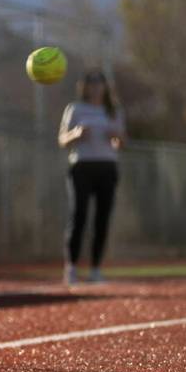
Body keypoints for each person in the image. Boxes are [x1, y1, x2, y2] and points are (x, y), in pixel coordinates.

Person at [57, 69, 126, 285]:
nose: (96, 86)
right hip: (82, 166)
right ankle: (71, 268)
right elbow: (62, 140)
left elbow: (122, 143)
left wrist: (116, 138)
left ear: (106, 87)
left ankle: (95, 269)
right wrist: (76, 134)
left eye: (99, 82)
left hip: (107, 167)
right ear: (84, 86)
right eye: (91, 82)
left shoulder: (113, 111)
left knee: (102, 220)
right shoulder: (75, 109)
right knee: (79, 216)